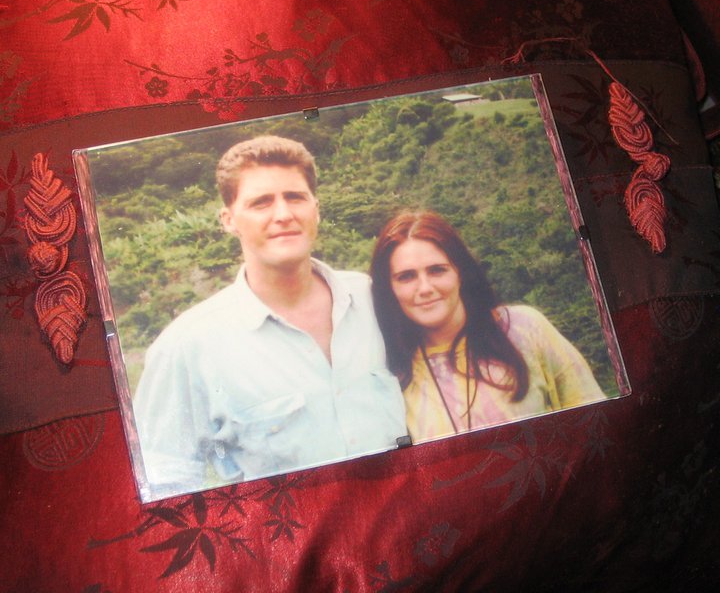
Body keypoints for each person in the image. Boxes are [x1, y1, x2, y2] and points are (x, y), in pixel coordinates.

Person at [133, 135, 406, 497]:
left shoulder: (375, 298)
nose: (283, 214)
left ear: (316, 209)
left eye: (295, 197)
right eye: (261, 202)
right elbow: (164, 483)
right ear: (228, 220)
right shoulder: (186, 347)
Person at [369, 210, 606, 444]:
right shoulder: (391, 374)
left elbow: (597, 418)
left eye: (437, 270)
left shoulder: (524, 329)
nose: (425, 288)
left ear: (460, 272)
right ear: (389, 288)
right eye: (406, 277)